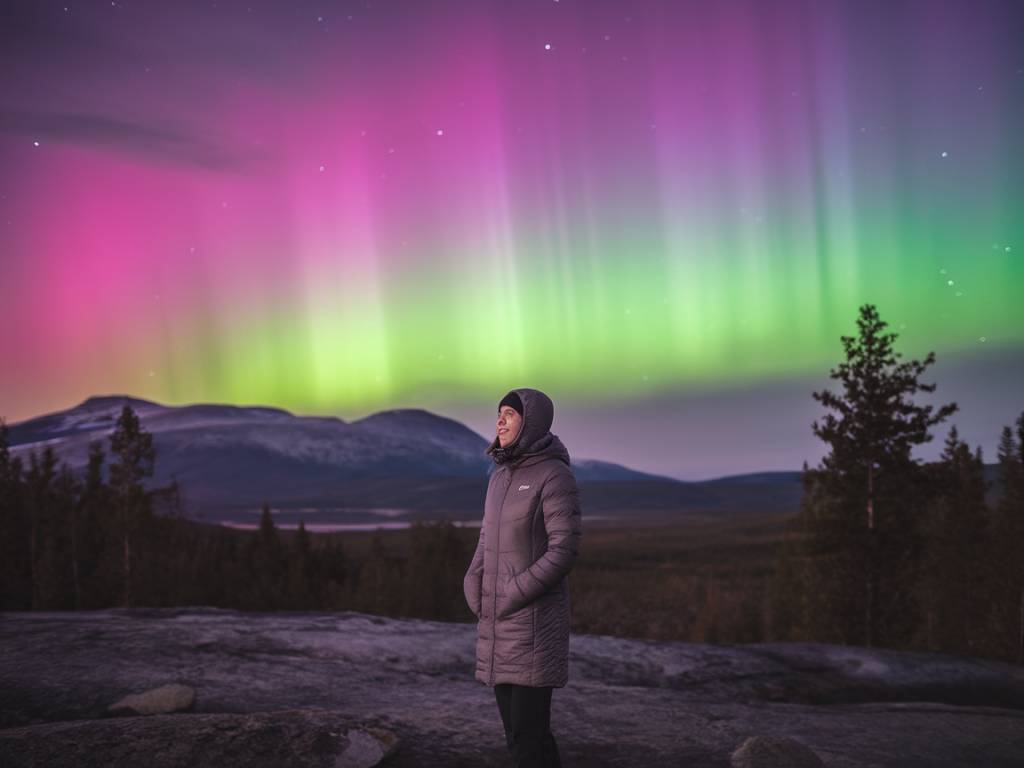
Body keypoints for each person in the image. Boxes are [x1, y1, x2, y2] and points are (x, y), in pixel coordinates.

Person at [463, 388, 583, 768]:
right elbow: (487, 539)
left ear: (530, 422)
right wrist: (473, 577)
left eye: (510, 414)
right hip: (501, 626)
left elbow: (563, 551)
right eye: (498, 412)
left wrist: (513, 593)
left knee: (528, 739)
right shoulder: (499, 477)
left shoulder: (553, 475)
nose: (499, 420)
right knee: (517, 736)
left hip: (533, 626)